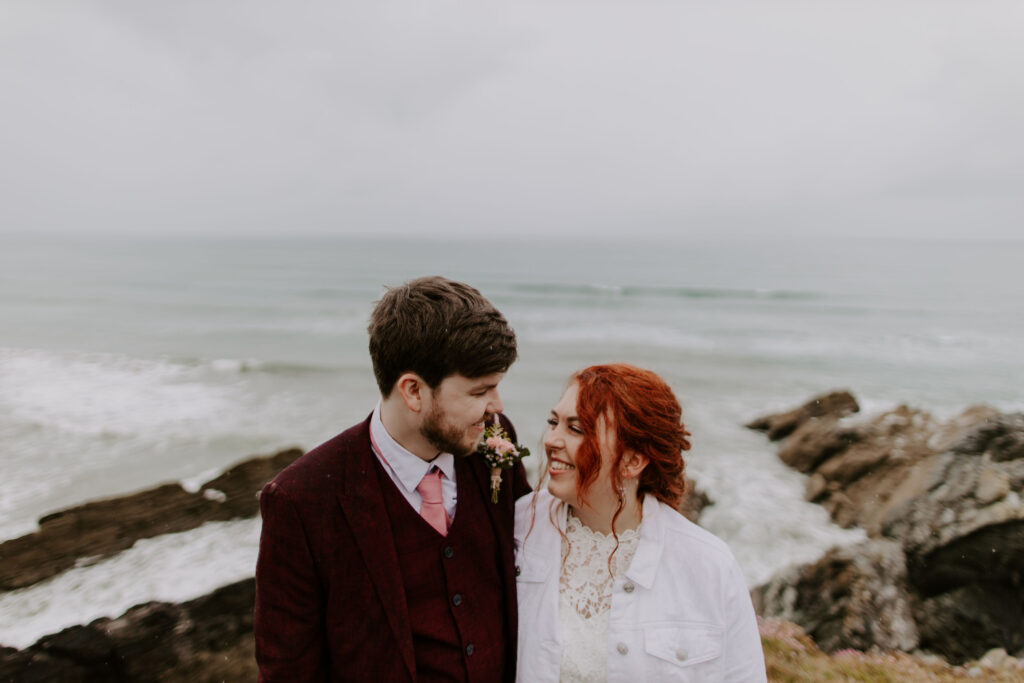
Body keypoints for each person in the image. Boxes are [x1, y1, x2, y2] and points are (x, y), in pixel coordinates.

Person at [255, 276, 531, 682]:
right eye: (479, 392)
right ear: (413, 391)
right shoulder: (301, 501)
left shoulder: (494, 437)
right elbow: (288, 670)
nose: (496, 406)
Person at [514, 364, 766, 682]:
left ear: (632, 461)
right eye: (554, 422)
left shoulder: (711, 565)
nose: (551, 439)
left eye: (576, 429)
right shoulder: (517, 529)